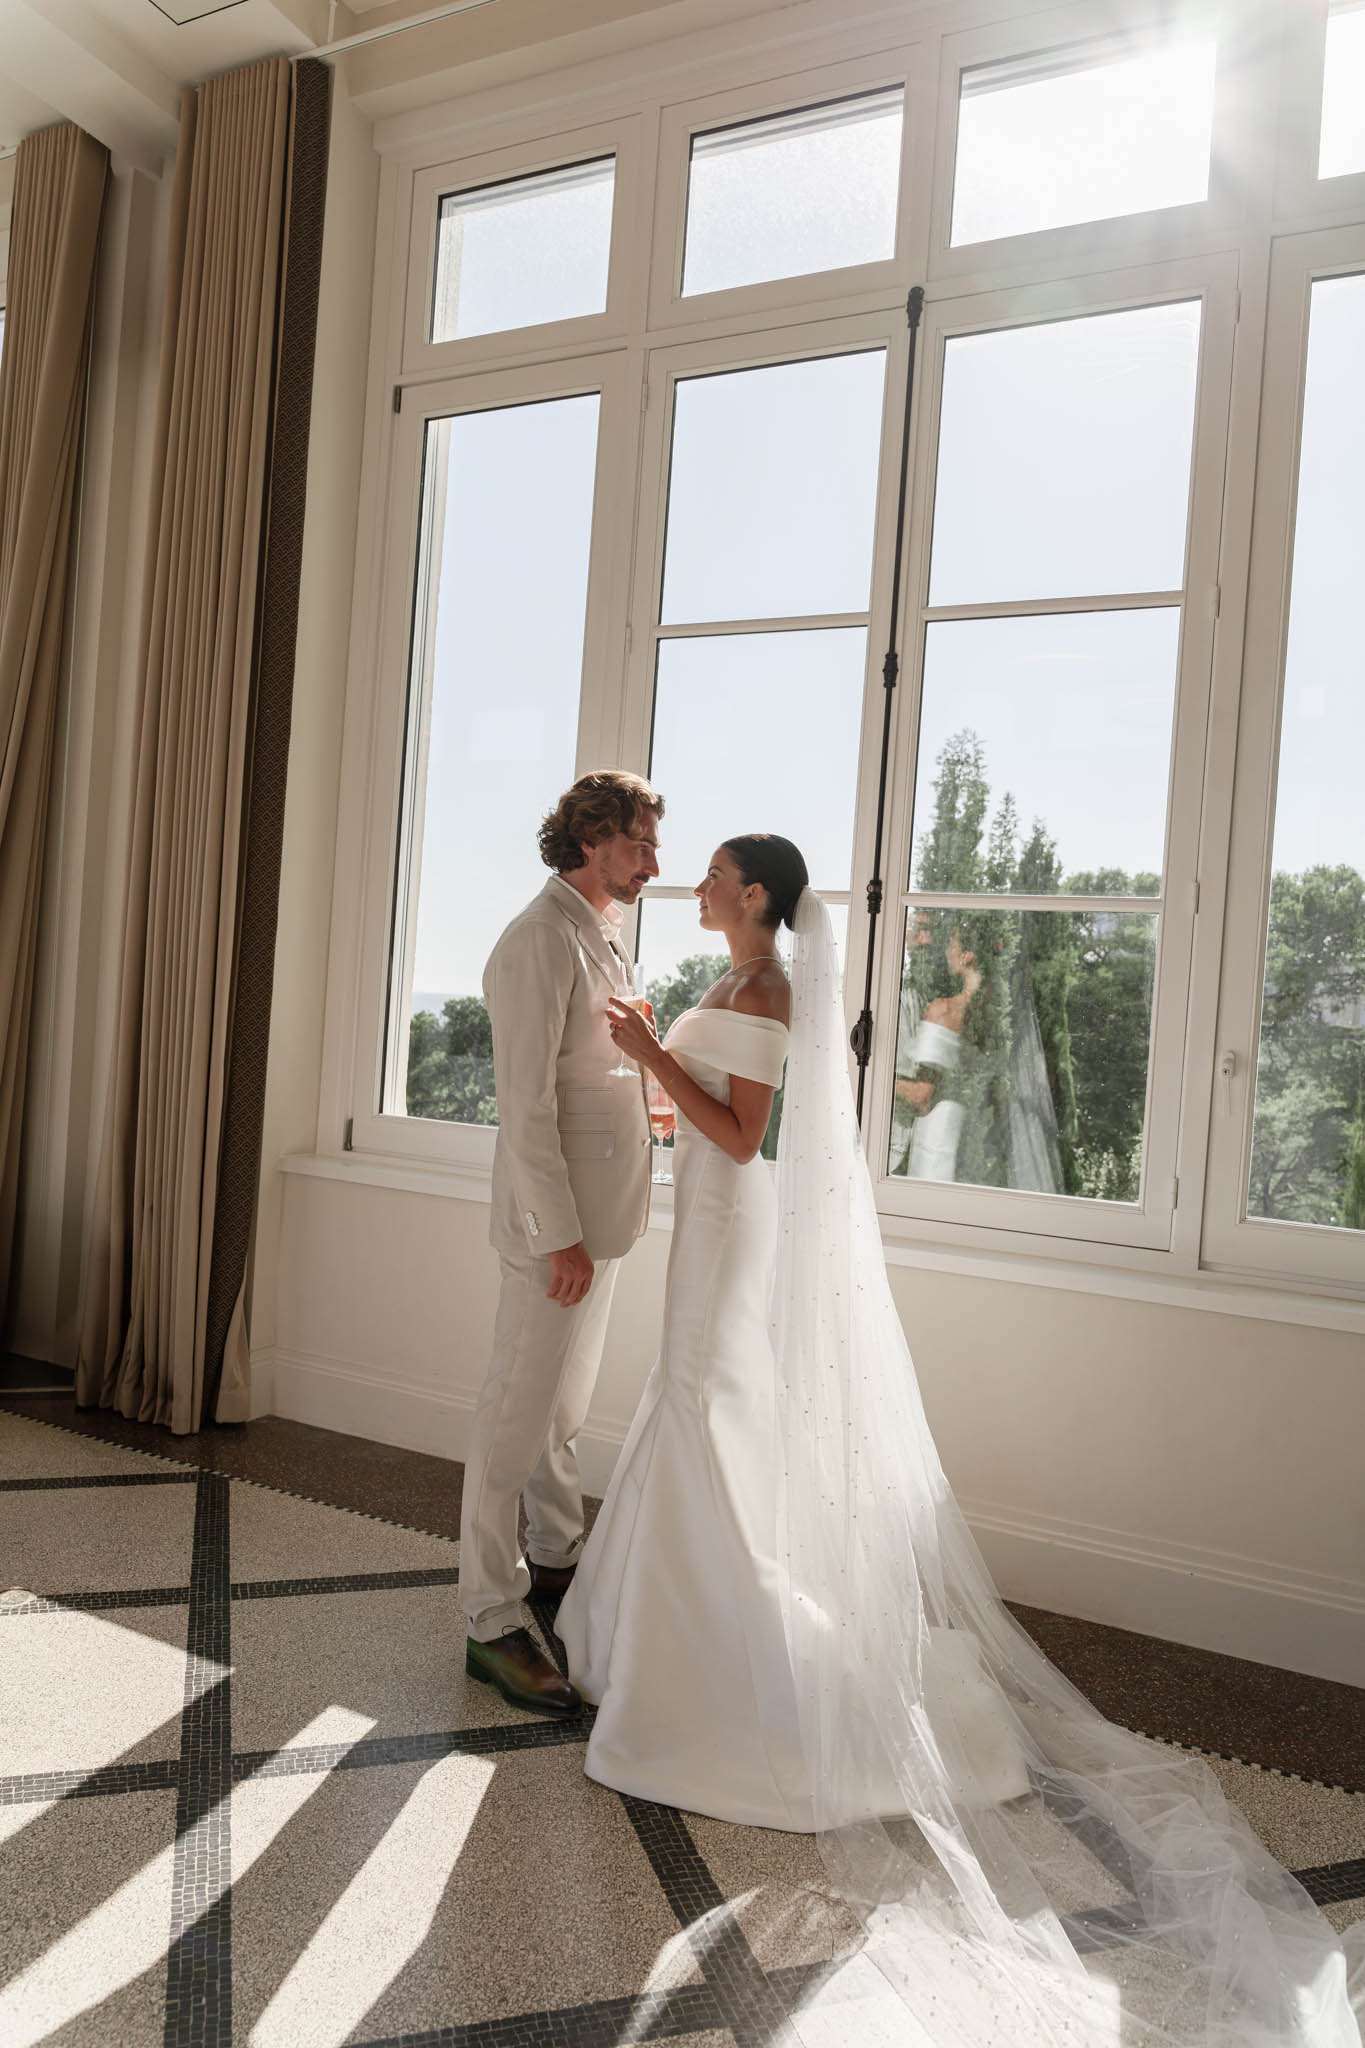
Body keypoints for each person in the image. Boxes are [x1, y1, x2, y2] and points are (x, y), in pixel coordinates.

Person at [557, 836, 1362, 2048]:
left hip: (735, 1235)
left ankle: (719, 1658)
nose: (703, 882)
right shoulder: (724, 984)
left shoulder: (770, 985)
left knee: (711, 1409)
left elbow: (746, 1135)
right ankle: (657, 1629)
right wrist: (654, 1072)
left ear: (758, 896)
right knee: (691, 1411)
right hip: (701, 1231)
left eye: (719, 870)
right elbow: (697, 1117)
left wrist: (648, 1053)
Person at [459, 770, 663, 1716]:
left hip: (602, 1216)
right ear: (589, 838)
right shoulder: (537, 941)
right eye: (637, 847)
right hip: (558, 1230)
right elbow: (524, 1109)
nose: (651, 866)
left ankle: (553, 1559)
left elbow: (591, 1078)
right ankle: (490, 1622)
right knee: (512, 1418)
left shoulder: (602, 938)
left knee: (561, 1411)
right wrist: (560, 1238)